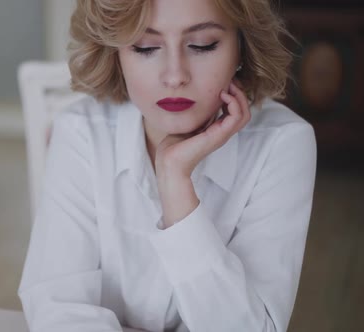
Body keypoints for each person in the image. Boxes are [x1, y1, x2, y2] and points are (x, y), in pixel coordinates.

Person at [18, 0, 317, 331]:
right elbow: (57, 308)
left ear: (242, 49)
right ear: (116, 53)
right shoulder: (81, 131)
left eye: (203, 45)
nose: (175, 76)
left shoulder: (282, 143)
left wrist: (176, 185)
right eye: (146, 48)